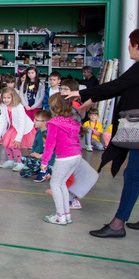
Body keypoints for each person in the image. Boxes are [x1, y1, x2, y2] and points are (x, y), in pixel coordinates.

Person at [64, 28, 139, 238]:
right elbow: (126, 89)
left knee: (133, 175)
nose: (129, 48)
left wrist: (82, 93)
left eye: (130, 44)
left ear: (137, 45)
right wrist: (91, 100)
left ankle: (117, 225)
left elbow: (117, 85)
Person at [41, 93, 100, 225]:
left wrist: (44, 162)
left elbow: (50, 144)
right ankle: (66, 215)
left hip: (65, 157)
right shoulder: (72, 122)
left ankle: (60, 216)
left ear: (54, 108)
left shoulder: (54, 123)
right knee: (62, 184)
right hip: (76, 156)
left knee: (55, 184)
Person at [0, 86, 36, 172]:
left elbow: (22, 123)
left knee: (14, 145)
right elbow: (2, 121)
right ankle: (11, 160)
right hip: (13, 127)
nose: (6, 100)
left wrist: (19, 138)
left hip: (21, 128)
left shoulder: (19, 107)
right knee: (6, 144)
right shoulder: (4, 106)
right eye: (4, 97)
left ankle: (20, 162)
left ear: (13, 97)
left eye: (8, 98)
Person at [22, 110, 54, 181]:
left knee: (28, 161)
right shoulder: (38, 132)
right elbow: (34, 145)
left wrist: (40, 156)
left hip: (45, 159)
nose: (34, 121)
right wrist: (33, 153)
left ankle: (47, 170)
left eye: (37, 120)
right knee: (23, 171)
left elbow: (51, 151)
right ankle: (38, 169)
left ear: (44, 122)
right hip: (37, 157)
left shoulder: (48, 134)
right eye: (34, 119)